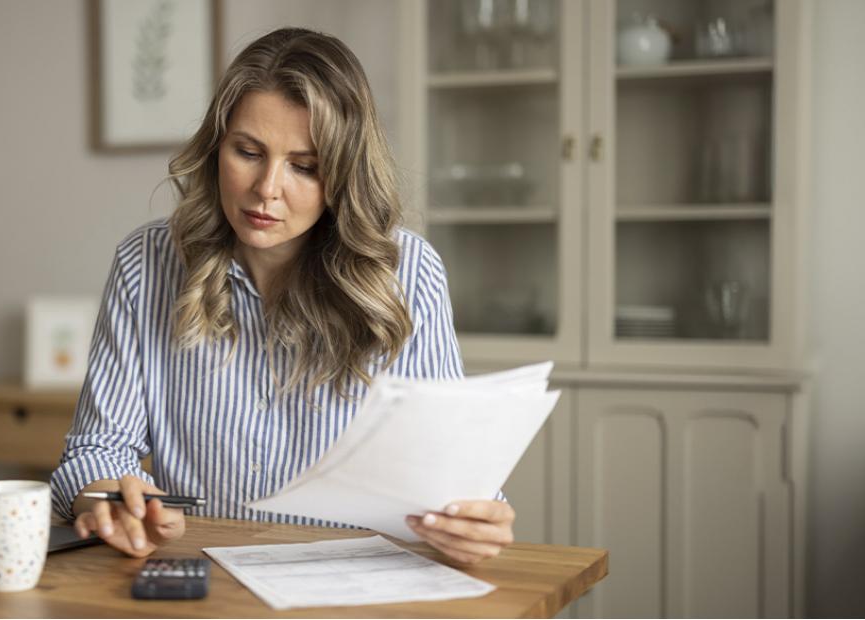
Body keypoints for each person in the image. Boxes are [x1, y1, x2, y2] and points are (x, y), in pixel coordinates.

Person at [49, 27, 515, 565]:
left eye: (304, 166)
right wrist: (115, 503)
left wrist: (474, 520)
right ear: (217, 147)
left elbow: (453, 474)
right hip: (205, 582)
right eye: (248, 152)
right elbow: (96, 452)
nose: (267, 188)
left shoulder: (406, 274)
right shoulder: (146, 264)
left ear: (342, 174)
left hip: (352, 584)